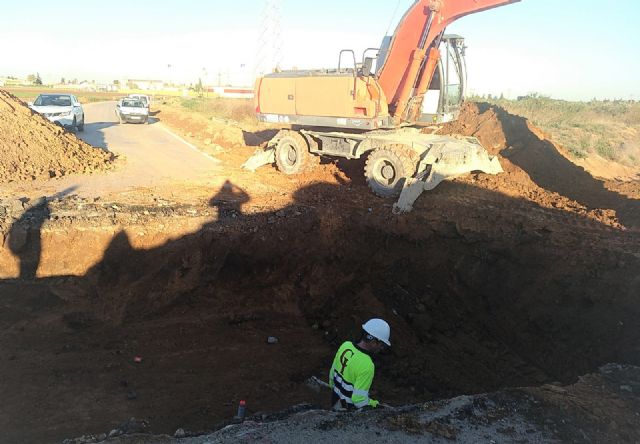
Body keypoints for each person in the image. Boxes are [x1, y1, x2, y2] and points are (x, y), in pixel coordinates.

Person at [328, 318, 391, 410]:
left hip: (335, 401)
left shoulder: (345, 345)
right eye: (382, 344)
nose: (381, 348)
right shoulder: (367, 365)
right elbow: (359, 400)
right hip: (348, 410)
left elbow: (331, 375)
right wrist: (375, 405)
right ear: (374, 342)